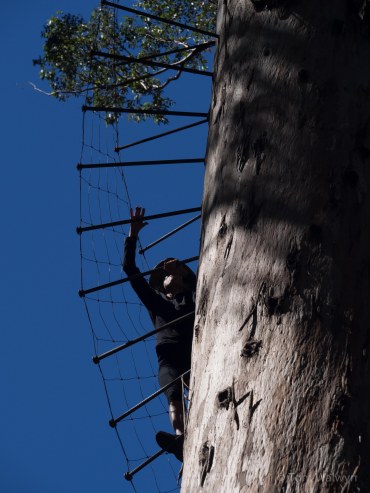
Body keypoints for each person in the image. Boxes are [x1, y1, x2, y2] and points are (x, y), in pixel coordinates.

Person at [122, 206, 196, 461]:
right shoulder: (159, 305)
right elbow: (130, 271)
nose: (166, 274)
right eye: (163, 275)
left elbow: (196, 283)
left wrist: (182, 270)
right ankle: (181, 438)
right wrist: (132, 234)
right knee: (173, 396)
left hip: (194, 353)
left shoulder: (196, 297)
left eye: (170, 272)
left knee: (188, 391)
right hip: (168, 360)